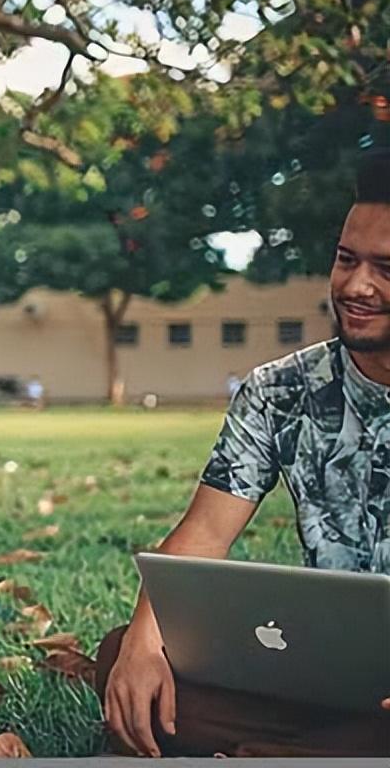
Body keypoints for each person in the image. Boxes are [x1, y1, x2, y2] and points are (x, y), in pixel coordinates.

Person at [97, 149, 390, 758]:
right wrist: (145, 643)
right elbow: (202, 535)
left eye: (386, 269)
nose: (356, 286)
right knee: (125, 659)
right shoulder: (280, 390)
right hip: (326, 675)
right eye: (346, 259)